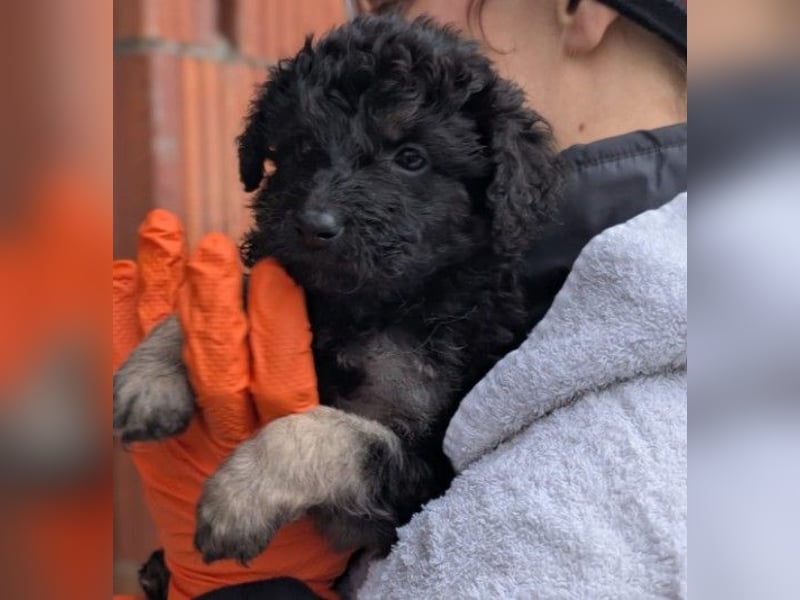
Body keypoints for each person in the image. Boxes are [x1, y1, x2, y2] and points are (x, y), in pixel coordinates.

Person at [114, 0, 686, 597]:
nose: (321, 208)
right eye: (305, 153)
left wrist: (243, 583)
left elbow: (424, 474)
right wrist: (176, 347)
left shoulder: (498, 329)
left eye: (408, 160)